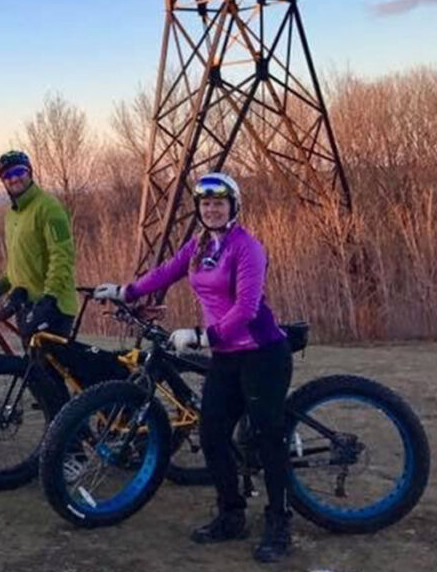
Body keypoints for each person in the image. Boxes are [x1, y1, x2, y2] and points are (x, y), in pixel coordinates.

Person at [94, 171, 293, 564]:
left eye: (219, 203)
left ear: (233, 207)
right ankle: (231, 514)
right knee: (213, 432)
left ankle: (279, 522)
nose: (212, 209)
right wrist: (125, 291)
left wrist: (203, 336)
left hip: (261, 353)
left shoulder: (246, 247)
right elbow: (165, 271)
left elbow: (246, 309)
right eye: (205, 204)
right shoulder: (200, 245)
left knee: (268, 438)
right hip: (226, 356)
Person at [0, 150, 78, 338]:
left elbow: (63, 256)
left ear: (29, 173)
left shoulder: (49, 207)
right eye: (7, 176)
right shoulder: (12, 214)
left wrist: (50, 297)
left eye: (18, 172)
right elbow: (17, 265)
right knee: (30, 366)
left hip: (54, 306)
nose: (13, 179)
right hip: (26, 304)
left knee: (47, 367)